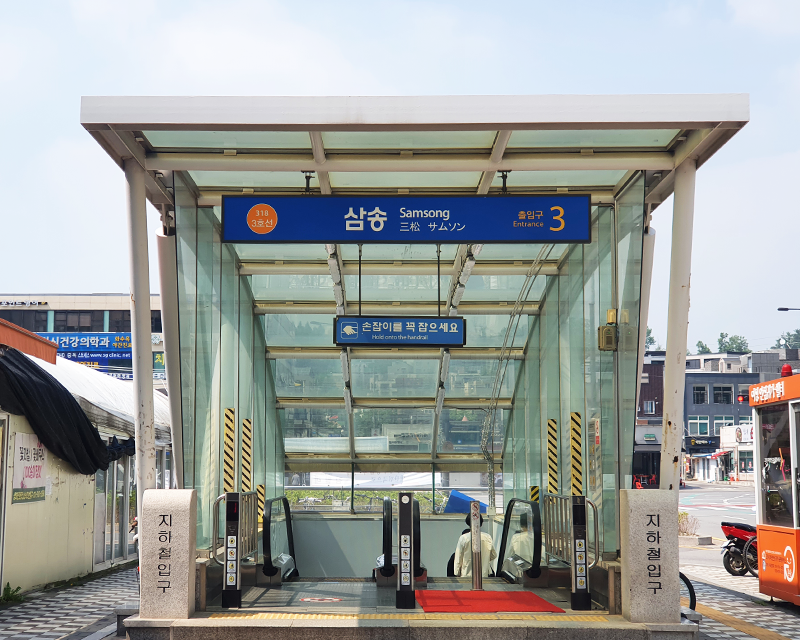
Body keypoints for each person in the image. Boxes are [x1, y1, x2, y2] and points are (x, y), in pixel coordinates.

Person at [453, 513, 497, 578]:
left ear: (468, 523)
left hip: (466, 575)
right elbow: (493, 555)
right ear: (481, 523)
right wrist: (485, 559)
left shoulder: (464, 538)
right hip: (483, 575)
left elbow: (458, 558)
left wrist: (456, 572)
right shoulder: (488, 537)